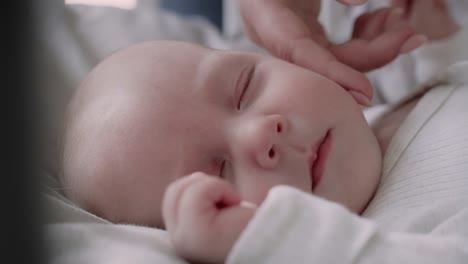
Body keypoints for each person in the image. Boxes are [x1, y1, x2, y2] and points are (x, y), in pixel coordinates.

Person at [59, 1, 468, 263]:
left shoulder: (398, 86)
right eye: (219, 175)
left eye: (244, 89)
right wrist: (273, 242)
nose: (260, 136)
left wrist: (438, 35)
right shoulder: (381, 237)